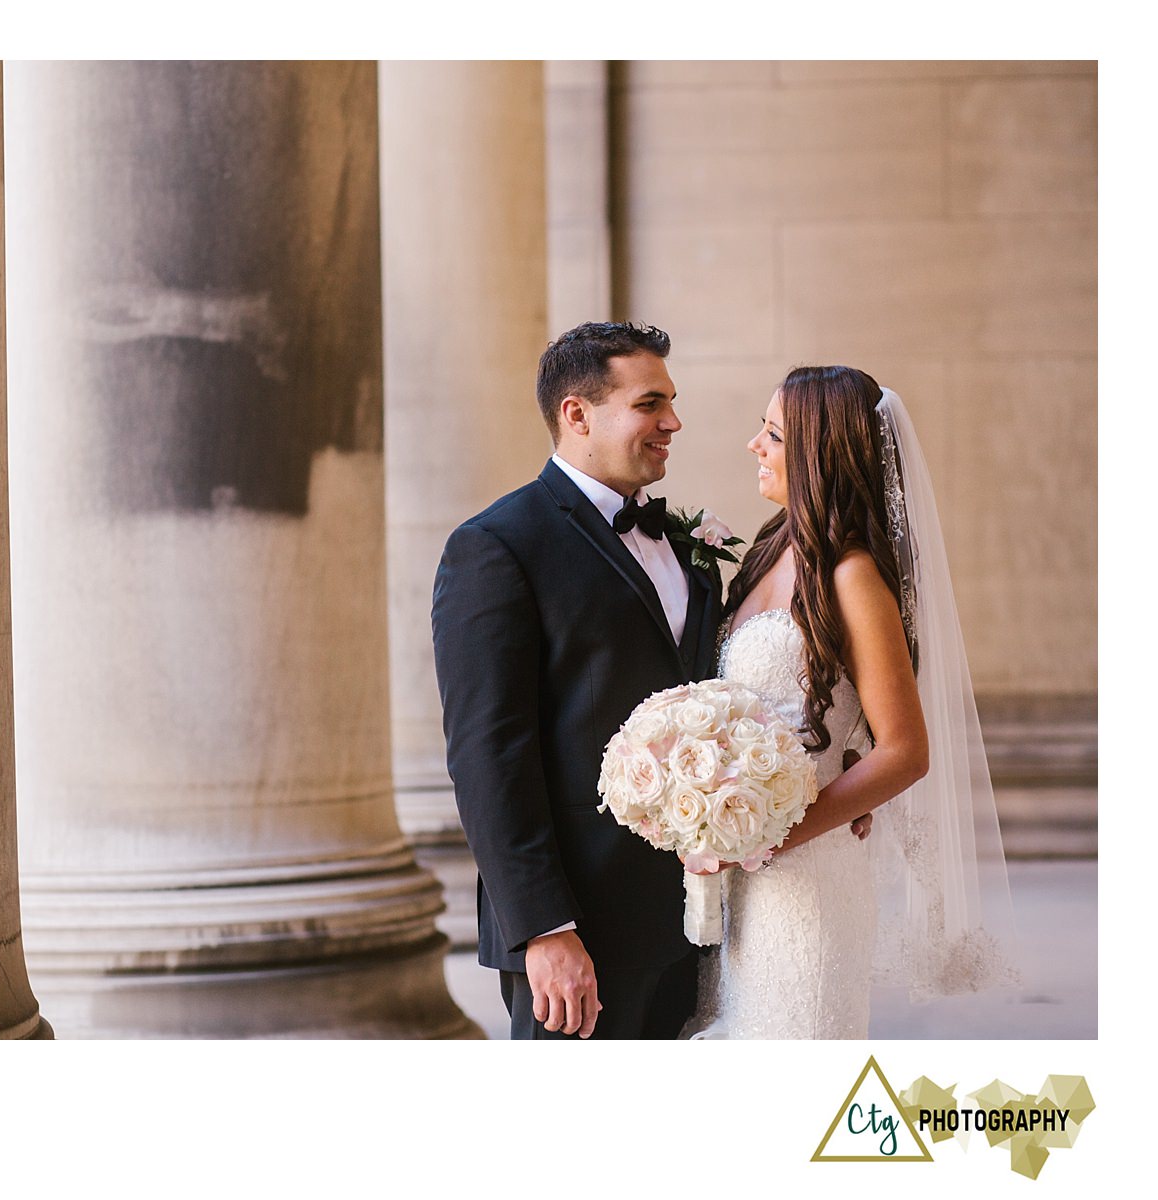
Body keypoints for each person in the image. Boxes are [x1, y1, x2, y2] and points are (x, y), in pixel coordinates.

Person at [685, 365, 1016, 1039]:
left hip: (809, 880)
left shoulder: (852, 573)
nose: (755, 445)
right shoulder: (770, 550)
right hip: (743, 877)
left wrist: (769, 834)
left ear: (818, 451)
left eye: (774, 434)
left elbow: (905, 751)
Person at [431, 321, 723, 1039]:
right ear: (577, 414)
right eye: (650, 403)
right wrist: (544, 931)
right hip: (576, 932)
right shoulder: (496, 547)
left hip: (693, 917)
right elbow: (487, 755)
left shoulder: (691, 552)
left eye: (672, 402)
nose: (673, 422)